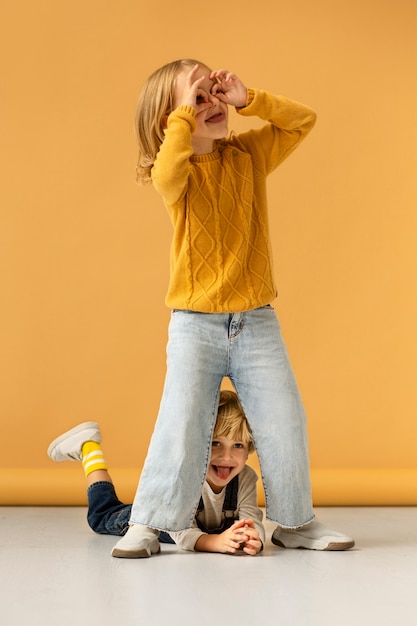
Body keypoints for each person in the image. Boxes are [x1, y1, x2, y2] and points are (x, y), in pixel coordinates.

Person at [112, 59, 355, 557]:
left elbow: (302, 120)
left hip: (256, 320)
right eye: (199, 98)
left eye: (216, 93)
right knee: (181, 422)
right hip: (194, 324)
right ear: (171, 119)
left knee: (285, 420)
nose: (214, 104)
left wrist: (249, 99)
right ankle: (151, 522)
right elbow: (165, 175)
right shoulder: (174, 173)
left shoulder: (248, 153)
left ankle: (295, 521)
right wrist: (184, 116)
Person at [47, 390, 264, 556]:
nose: (227, 456)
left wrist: (255, 538)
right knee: (102, 515)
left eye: (238, 446)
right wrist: (215, 543)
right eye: (216, 443)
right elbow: (180, 532)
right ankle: (89, 448)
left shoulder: (245, 478)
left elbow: (252, 517)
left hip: (202, 529)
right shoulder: (187, 476)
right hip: (162, 520)